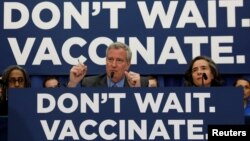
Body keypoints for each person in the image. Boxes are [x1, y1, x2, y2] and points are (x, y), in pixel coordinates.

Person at [67, 42, 149, 87]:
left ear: (128, 64)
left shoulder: (141, 83)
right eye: (110, 59)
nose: (113, 65)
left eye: (119, 60)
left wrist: (137, 91)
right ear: (105, 61)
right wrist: (73, 83)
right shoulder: (89, 83)